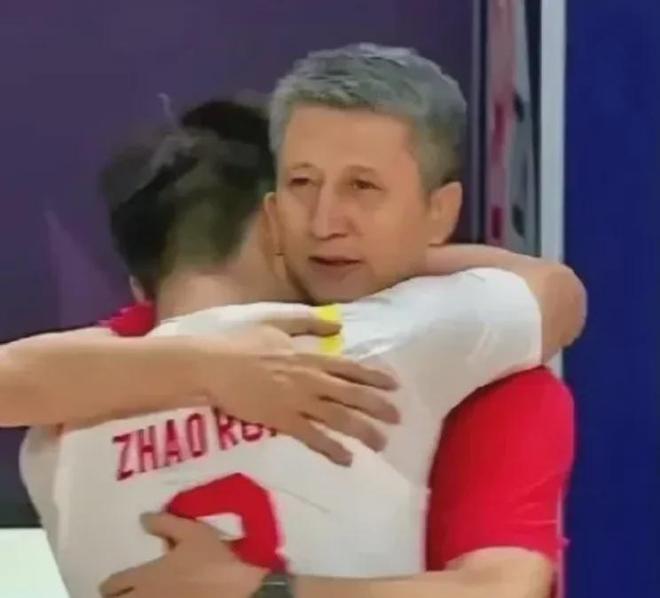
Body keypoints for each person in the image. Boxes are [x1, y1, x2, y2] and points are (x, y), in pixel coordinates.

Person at [99, 45, 581, 598]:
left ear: (440, 212)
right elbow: (32, 378)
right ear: (271, 206)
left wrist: (266, 591)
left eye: (362, 188)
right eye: (302, 183)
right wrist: (208, 366)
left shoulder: (500, 385)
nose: (325, 222)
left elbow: (498, 591)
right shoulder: (185, 329)